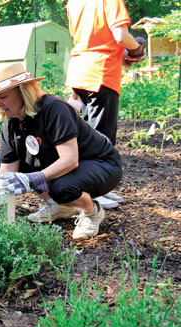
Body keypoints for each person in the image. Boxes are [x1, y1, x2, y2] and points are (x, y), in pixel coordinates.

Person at [0, 63, 122, 240]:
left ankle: (91, 212)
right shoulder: (11, 124)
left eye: (3, 96)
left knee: (61, 188)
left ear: (23, 92)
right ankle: (60, 206)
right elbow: (6, 170)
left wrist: (34, 178)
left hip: (101, 164)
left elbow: (70, 159)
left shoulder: (54, 109)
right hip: (69, 165)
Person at [65, 0, 145, 207]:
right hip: (101, 74)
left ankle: (96, 188)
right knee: (101, 138)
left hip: (81, 70)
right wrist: (135, 48)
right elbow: (120, 35)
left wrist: (122, 54)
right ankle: (92, 192)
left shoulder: (74, 3)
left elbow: (93, 40)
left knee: (87, 135)